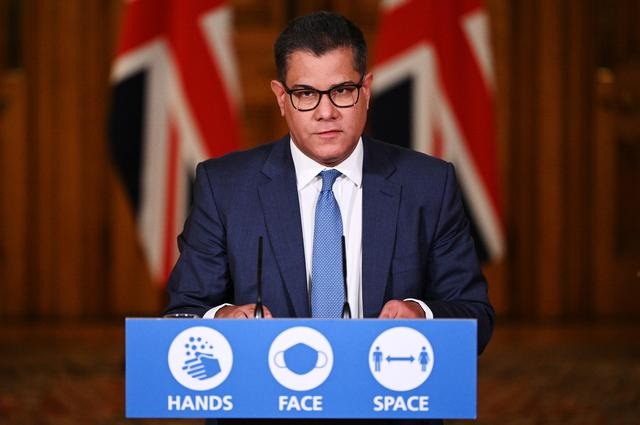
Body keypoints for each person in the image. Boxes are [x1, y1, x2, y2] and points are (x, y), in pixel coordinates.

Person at [165, 11, 493, 423]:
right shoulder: (225, 186)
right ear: (281, 98)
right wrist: (223, 318)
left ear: (367, 90)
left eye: (341, 90)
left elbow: (476, 320)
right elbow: (182, 316)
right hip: (264, 411)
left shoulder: (429, 184)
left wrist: (421, 315)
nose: (325, 112)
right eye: (305, 93)